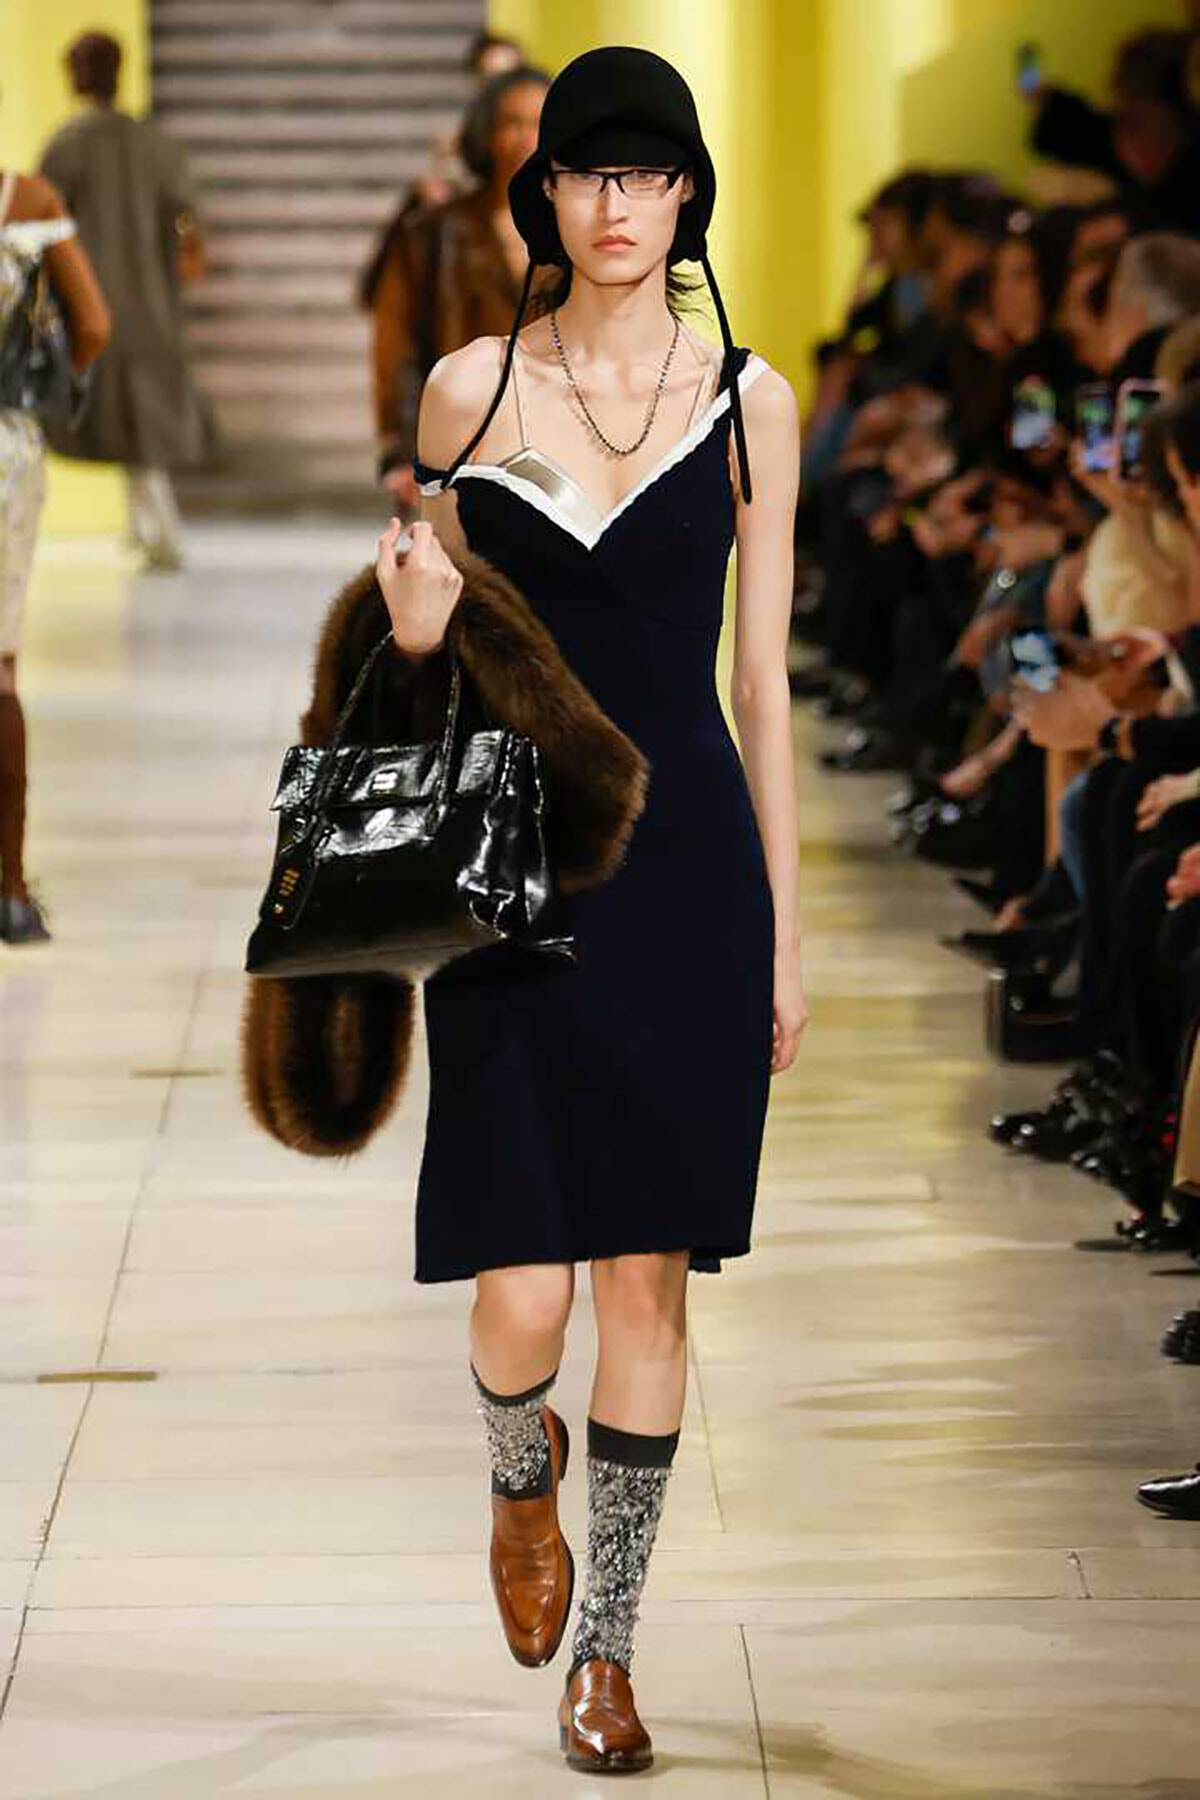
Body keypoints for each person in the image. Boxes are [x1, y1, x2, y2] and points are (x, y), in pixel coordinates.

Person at [350, 46, 806, 1774]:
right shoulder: (466, 394)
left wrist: (788, 934)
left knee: (647, 1283)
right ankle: (513, 1470)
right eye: (587, 174)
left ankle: (607, 1653)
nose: (618, 206)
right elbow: (426, 652)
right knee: (521, 1295)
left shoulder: (752, 402)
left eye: (648, 174)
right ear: (541, 194)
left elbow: (760, 686)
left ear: (688, 194)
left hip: (687, 879)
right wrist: (411, 632)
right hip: (514, 873)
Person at [39, 30, 211, 571]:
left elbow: (45, 227)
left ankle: (162, 533)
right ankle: (147, 529)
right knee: (140, 424)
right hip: (151, 305)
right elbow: (186, 217)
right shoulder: (153, 143)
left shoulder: (66, 144)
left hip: (92, 304)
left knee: (123, 425)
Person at [0, 165, 109, 942]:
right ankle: (8, 887)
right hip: (4, 449)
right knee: (0, 668)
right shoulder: (25, 200)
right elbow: (94, 323)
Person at [369, 65, 553, 510]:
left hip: (556, 448)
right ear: (487, 133)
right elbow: (397, 344)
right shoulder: (434, 232)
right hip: (458, 445)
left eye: (539, 123)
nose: (526, 138)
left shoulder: (577, 232)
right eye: (512, 123)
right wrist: (401, 448)